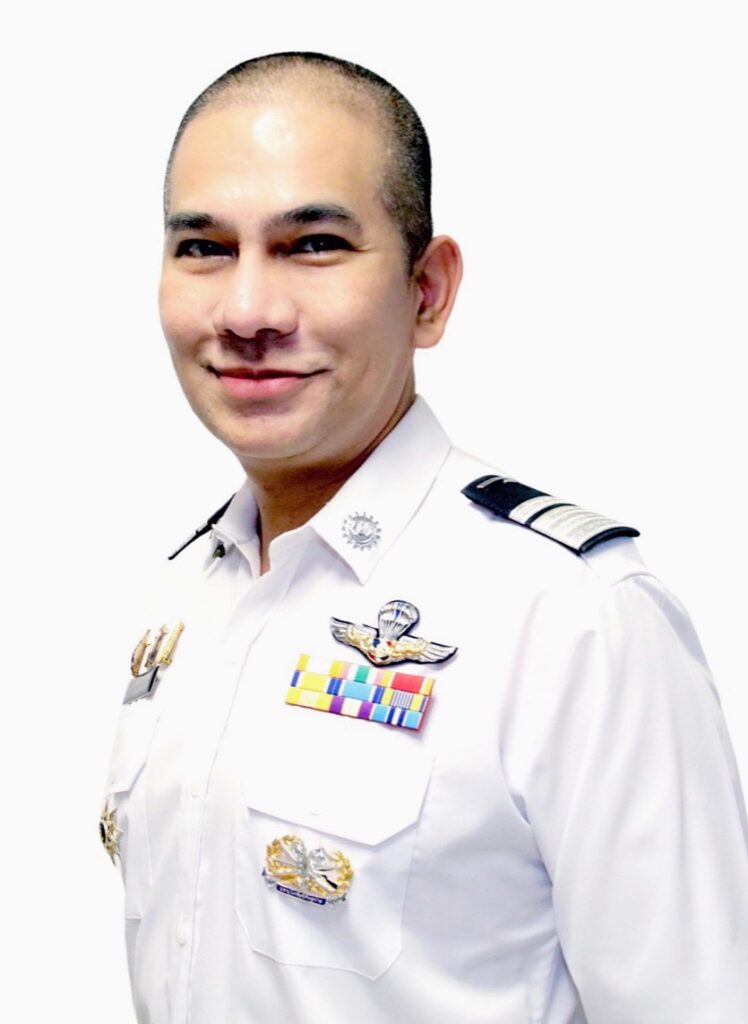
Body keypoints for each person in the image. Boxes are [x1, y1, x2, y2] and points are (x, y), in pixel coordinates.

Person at [101, 51, 748, 1024]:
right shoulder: (188, 595)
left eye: (314, 244)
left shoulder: (571, 618)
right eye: (204, 248)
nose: (247, 312)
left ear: (428, 291)